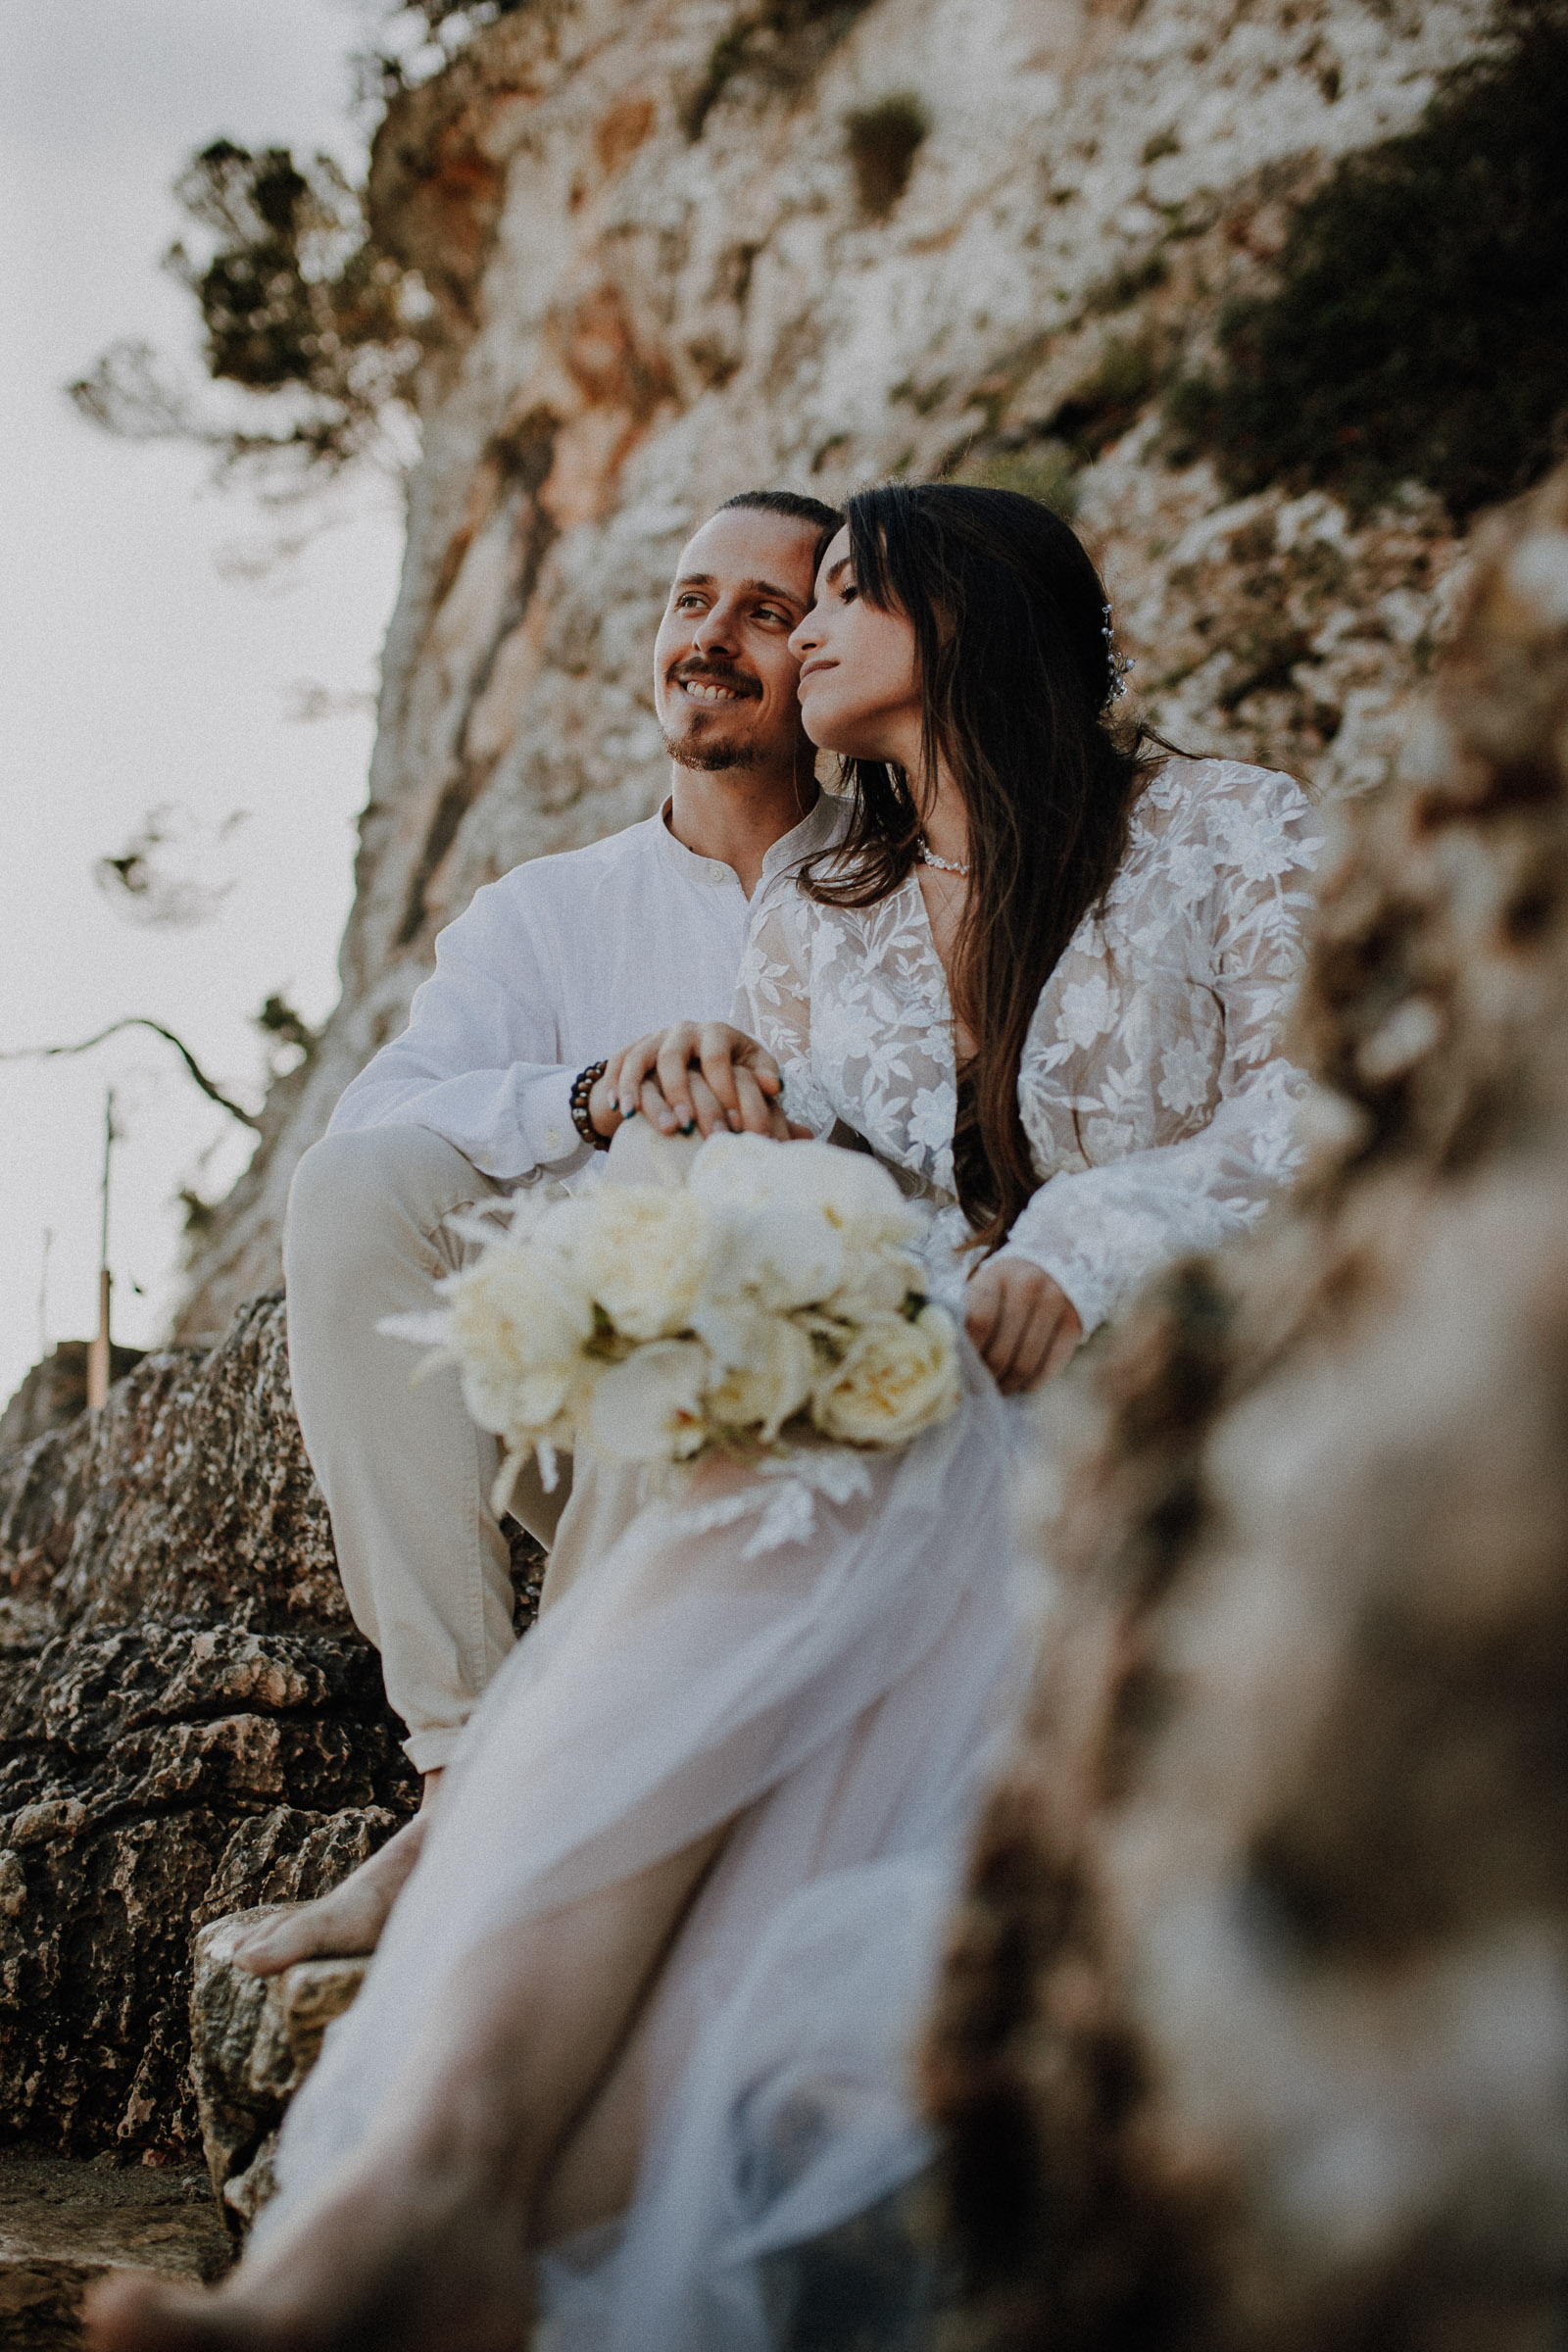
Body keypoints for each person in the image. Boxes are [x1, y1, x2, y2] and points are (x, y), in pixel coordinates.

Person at [88, 485, 1321, 2352]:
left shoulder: (1227, 828)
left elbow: (1335, 1097)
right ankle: (440, 2182)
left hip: (1204, 1382)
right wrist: (742, 1158)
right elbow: (868, 1195)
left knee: (784, 1548)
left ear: (968, 609)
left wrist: (1095, 1235)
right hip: (956, 1403)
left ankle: (476, 2184)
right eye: (766, 599)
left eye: (837, 592)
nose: (803, 631)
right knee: (772, 1395)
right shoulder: (827, 914)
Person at [234, 488, 845, 1980]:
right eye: (693, 599)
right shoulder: (545, 914)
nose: (711, 636)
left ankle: (534, 1813)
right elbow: (382, 1124)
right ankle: (461, 1778)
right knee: (354, 1191)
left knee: (687, 1180)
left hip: (822, 1420)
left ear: (826, 659)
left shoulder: (906, 881)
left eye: (765, 613)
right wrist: (593, 1089)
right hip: (588, 1447)